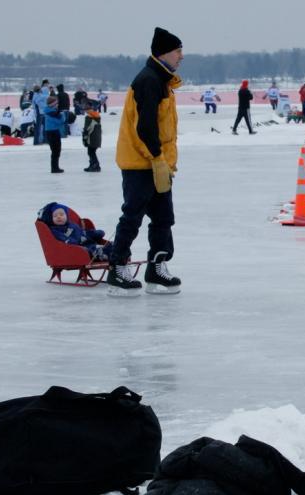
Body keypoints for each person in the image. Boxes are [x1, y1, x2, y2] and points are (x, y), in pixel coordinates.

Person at [109, 26, 184, 296]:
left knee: (164, 217)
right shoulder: (148, 81)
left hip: (158, 163)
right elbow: (144, 128)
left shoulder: (162, 82)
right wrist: (157, 159)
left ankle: (156, 268)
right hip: (141, 164)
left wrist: (164, 162)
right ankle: (117, 268)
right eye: (177, 51)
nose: (181, 56)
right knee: (133, 216)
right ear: (163, 53)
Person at [44, 203, 113, 261]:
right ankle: (102, 254)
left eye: (61, 215)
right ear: (51, 219)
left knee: (107, 245)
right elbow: (63, 239)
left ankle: (111, 250)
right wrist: (74, 242)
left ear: (66, 216)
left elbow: (83, 232)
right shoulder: (55, 230)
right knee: (91, 250)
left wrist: (94, 233)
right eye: (55, 216)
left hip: (88, 244)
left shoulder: (73, 225)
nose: (59, 217)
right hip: (76, 250)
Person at [44, 95, 65, 173]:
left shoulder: (54, 112)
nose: (57, 105)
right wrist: (61, 115)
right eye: (56, 103)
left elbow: (61, 121)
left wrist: (61, 116)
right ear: (51, 104)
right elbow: (60, 122)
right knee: (55, 151)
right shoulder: (50, 112)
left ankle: (56, 167)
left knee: (57, 150)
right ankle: (54, 168)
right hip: (52, 132)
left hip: (54, 131)